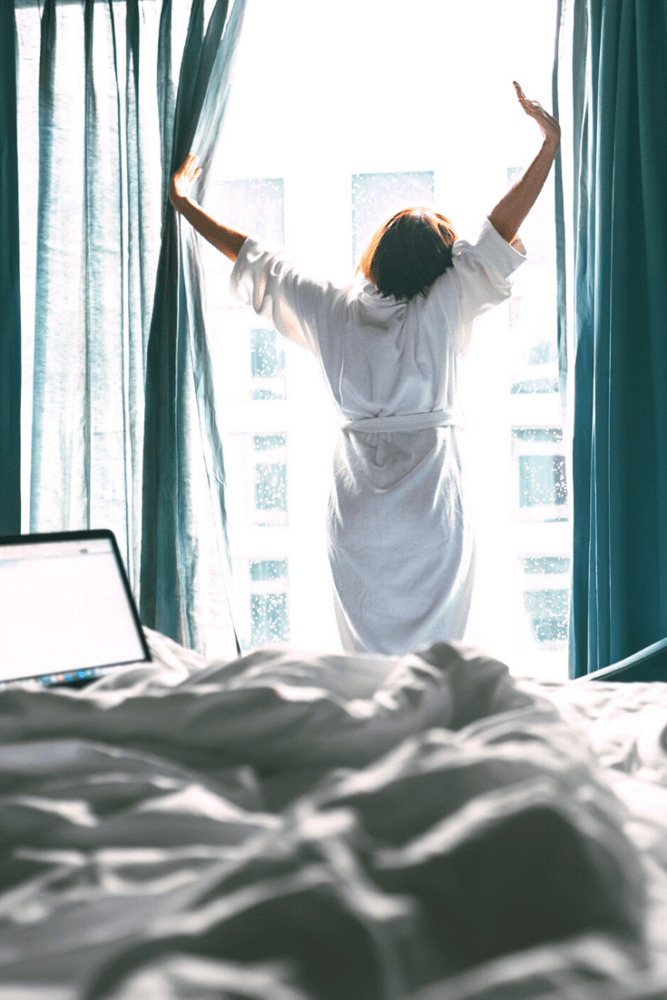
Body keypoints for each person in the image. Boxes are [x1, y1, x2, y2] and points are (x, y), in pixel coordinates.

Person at [169, 81, 561, 656]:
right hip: (434, 509)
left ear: (377, 253)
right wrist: (547, 147)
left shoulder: (332, 305)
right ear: (440, 263)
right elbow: (499, 231)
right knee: (441, 655)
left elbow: (249, 253)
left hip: (358, 511)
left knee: (366, 656)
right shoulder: (445, 302)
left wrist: (184, 202)